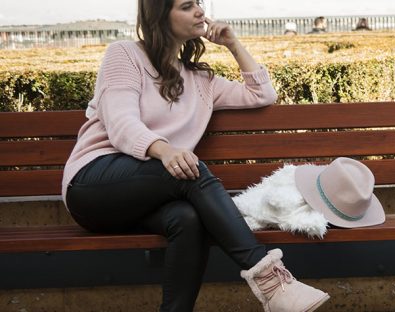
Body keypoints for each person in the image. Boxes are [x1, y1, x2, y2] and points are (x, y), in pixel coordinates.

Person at [61, 0, 329, 311]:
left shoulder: (201, 80)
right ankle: (271, 281)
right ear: (160, 15)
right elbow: (122, 125)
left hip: (151, 196)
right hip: (94, 184)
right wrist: (166, 150)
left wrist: (232, 43)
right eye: (187, 6)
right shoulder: (125, 55)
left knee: (187, 219)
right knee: (189, 168)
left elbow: (263, 94)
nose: (200, 11)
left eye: (199, 4)